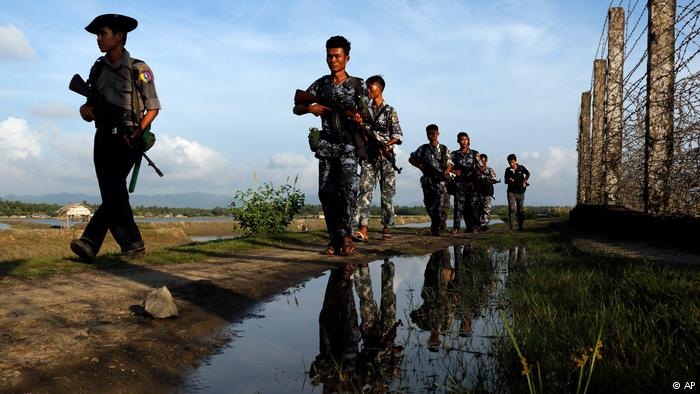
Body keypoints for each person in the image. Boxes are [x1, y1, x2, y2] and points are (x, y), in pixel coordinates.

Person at [70, 14, 160, 262]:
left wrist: (138, 130)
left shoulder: (139, 69)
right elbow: (88, 108)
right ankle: (133, 245)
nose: (99, 40)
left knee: (113, 192)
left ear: (119, 36)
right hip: (102, 137)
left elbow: (153, 107)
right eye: (98, 35)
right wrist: (84, 111)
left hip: (128, 137)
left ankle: (90, 242)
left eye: (103, 34)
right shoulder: (97, 68)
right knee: (114, 193)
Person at [293, 36, 370, 255]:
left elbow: (366, 114)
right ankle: (334, 238)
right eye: (329, 56)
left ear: (347, 58)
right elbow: (297, 107)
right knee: (326, 193)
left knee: (348, 190)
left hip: (348, 145)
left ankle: (346, 235)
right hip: (326, 145)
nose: (332, 60)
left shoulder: (357, 84)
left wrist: (358, 118)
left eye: (337, 56)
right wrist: (311, 109)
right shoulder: (321, 84)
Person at [353, 75, 403, 241]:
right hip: (368, 156)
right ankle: (363, 228)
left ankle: (387, 226)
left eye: (371, 88)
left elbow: (397, 135)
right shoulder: (364, 110)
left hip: (386, 158)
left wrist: (386, 146)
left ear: (379, 89)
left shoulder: (390, 111)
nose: (368, 91)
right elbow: (359, 130)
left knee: (387, 194)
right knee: (365, 190)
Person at [409, 124, 453, 236]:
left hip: (440, 180)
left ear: (438, 134)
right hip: (427, 180)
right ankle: (438, 225)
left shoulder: (444, 149)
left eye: (433, 133)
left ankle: (436, 228)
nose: (431, 136)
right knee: (428, 204)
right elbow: (411, 159)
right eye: (429, 134)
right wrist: (420, 166)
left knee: (439, 204)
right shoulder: (423, 148)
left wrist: (446, 172)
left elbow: (450, 164)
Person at [450, 132, 480, 233]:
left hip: (472, 183)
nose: (464, 142)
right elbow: (447, 167)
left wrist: (478, 171)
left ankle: (475, 227)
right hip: (459, 183)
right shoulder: (454, 154)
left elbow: (482, 167)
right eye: (462, 139)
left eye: (466, 139)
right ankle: (456, 228)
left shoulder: (475, 153)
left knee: (473, 206)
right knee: (458, 206)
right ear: (458, 141)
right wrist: (455, 171)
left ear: (469, 140)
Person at [504, 153, 530, 231]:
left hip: (521, 192)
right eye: (510, 163)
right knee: (512, 209)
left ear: (516, 161)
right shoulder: (507, 170)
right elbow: (505, 181)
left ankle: (520, 227)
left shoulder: (521, 168)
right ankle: (512, 227)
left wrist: (525, 181)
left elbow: (528, 173)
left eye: (512, 162)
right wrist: (509, 180)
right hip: (511, 192)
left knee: (520, 210)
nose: (511, 164)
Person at [476, 153, 499, 231]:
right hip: (478, 192)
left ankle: (484, 224)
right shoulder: (476, 171)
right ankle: (477, 224)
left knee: (487, 208)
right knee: (477, 208)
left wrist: (489, 179)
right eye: (481, 161)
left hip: (487, 192)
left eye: (484, 161)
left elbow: (494, 178)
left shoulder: (490, 170)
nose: (483, 163)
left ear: (486, 161)